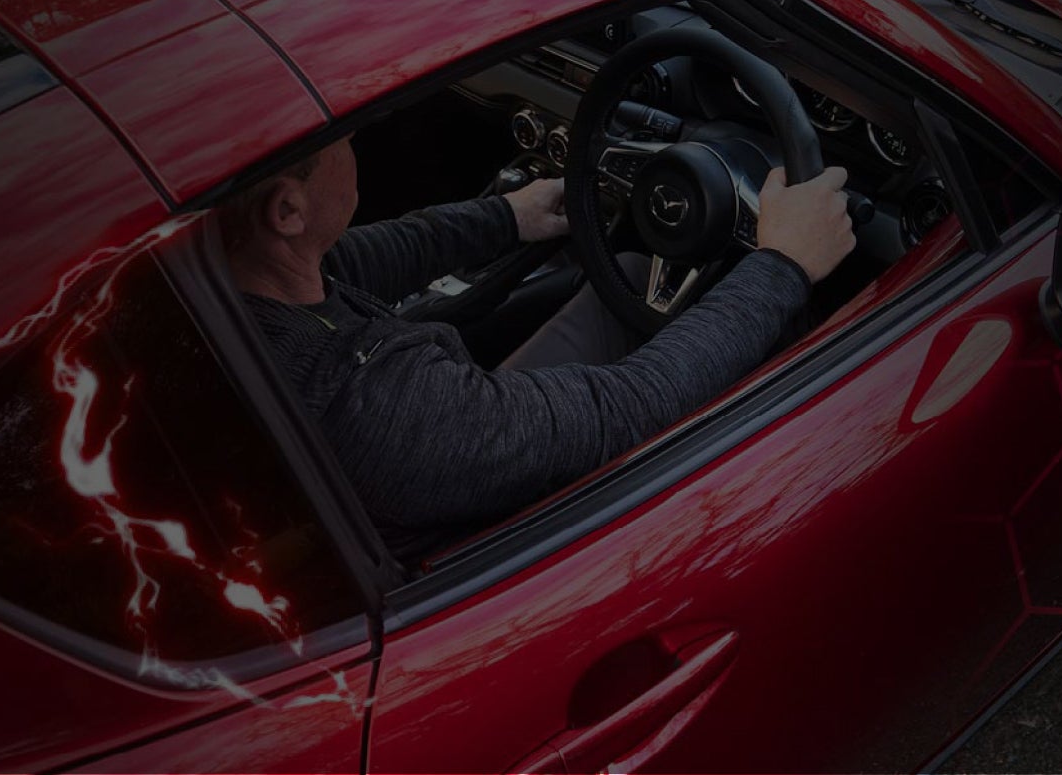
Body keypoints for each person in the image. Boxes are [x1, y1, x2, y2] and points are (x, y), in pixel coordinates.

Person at [225, 137, 853, 562]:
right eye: (342, 139)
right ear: (287, 210)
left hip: (406, 470)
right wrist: (783, 264)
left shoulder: (223, 280)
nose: (354, 145)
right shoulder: (380, 409)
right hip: (485, 532)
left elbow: (348, 261)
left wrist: (508, 218)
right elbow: (626, 409)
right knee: (651, 300)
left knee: (632, 275)